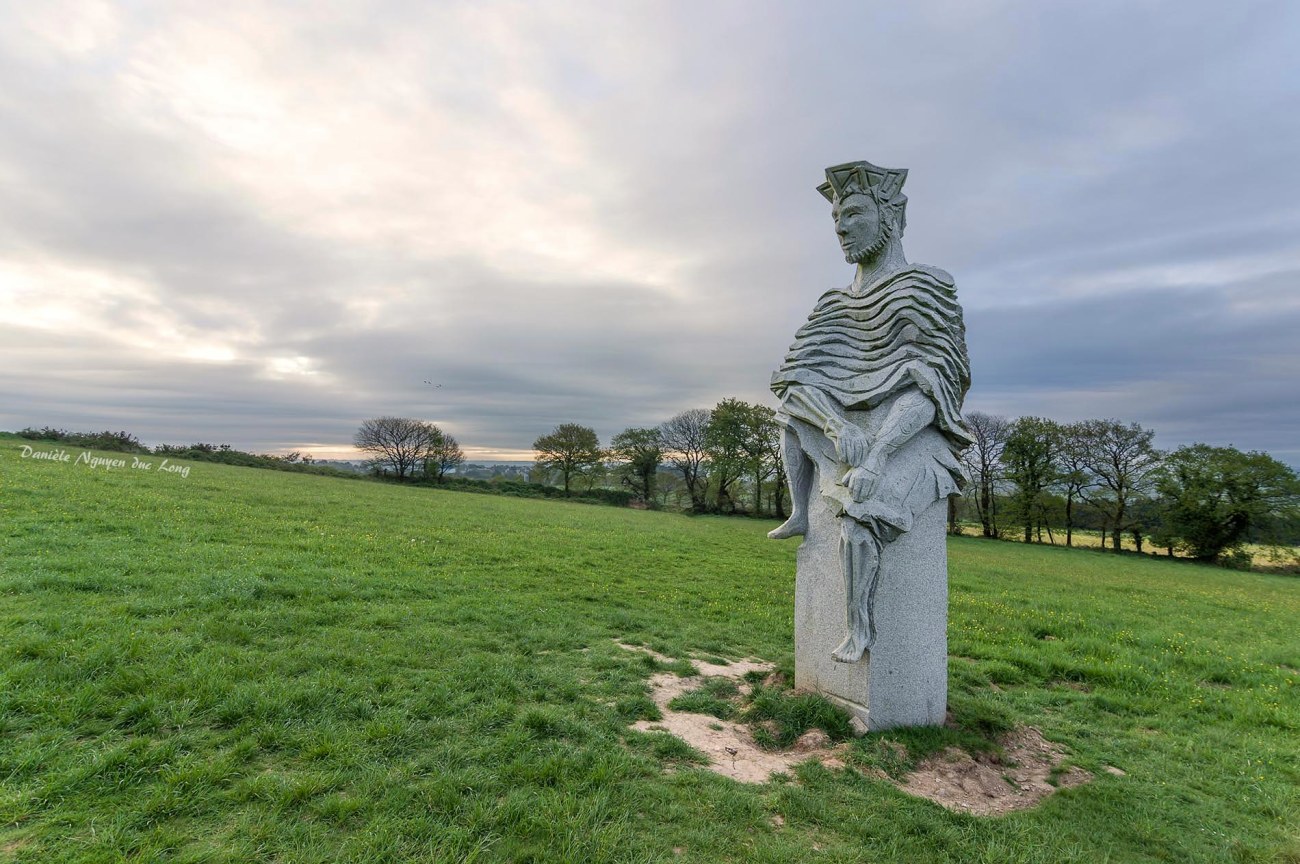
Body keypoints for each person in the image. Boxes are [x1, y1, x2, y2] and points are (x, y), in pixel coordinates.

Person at [769, 160, 972, 663]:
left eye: (853, 213)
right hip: (847, 436)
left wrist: (878, 454)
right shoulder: (833, 304)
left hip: (910, 439)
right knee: (793, 419)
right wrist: (836, 423)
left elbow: (932, 388)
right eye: (836, 216)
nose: (840, 227)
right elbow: (793, 384)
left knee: (861, 516)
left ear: (890, 216)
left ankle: (860, 629)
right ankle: (801, 511)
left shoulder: (925, 287)